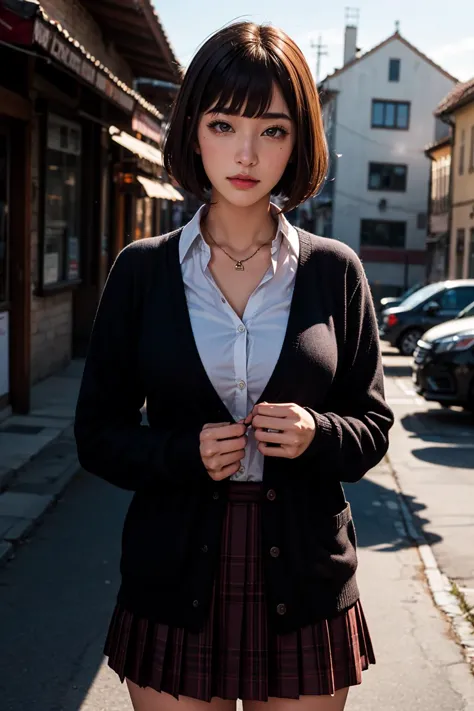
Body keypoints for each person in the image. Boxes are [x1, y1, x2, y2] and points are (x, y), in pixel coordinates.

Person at [74, 21, 394, 711]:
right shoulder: (142, 271)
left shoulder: (336, 272)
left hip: (306, 577)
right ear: (193, 131)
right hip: (172, 575)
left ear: (299, 140)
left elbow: (372, 427)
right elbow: (96, 433)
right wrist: (180, 452)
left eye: (273, 130)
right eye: (224, 124)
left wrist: (317, 433)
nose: (246, 152)